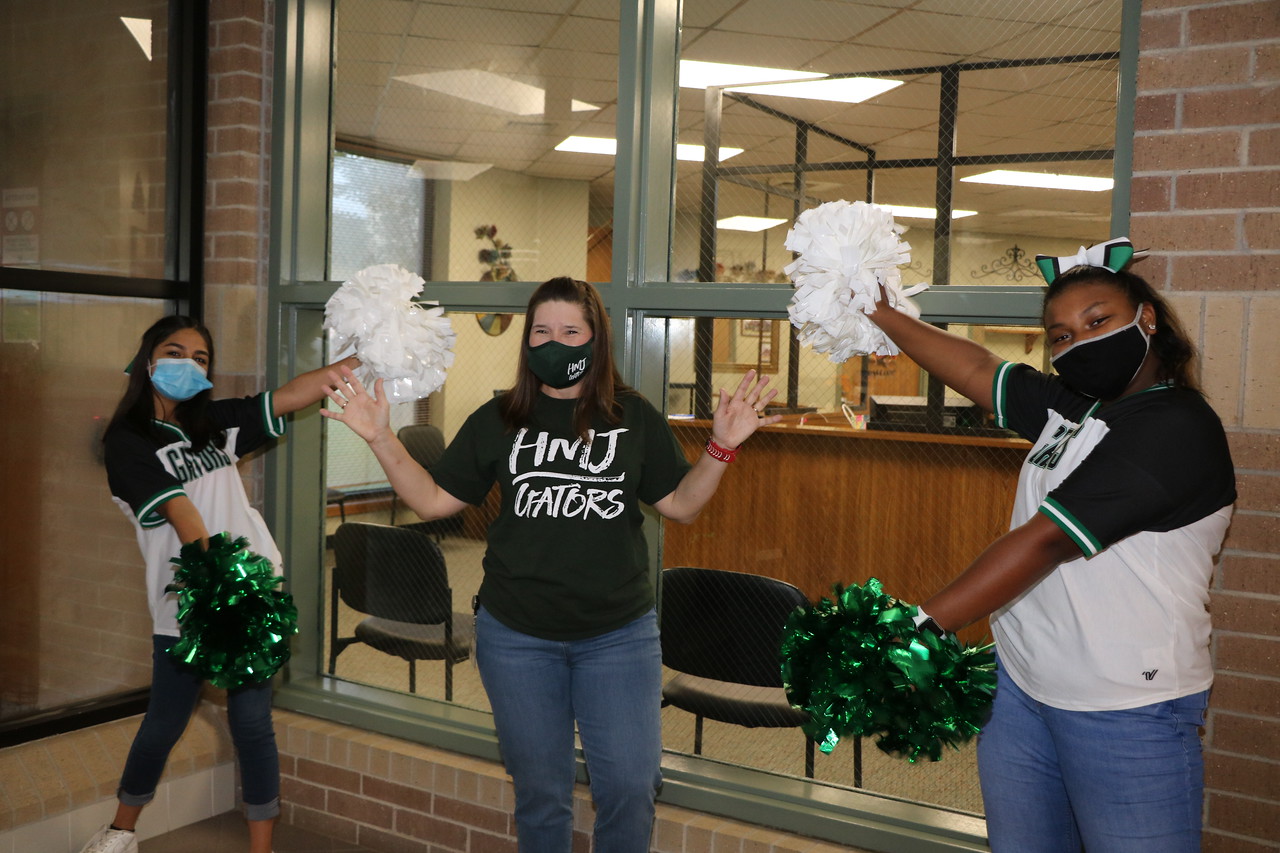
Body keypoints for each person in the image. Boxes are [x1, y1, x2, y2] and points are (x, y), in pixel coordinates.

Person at [322, 276, 779, 852]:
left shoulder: (632, 416)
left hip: (617, 636)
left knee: (631, 787)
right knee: (541, 795)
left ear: (596, 341)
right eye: (542, 331)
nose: (554, 342)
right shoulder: (499, 417)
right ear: (527, 342)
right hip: (517, 637)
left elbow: (681, 506)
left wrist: (722, 447)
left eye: (570, 331)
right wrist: (381, 437)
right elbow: (434, 500)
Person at [865, 247, 1235, 852]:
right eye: (1059, 335)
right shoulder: (1073, 409)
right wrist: (883, 313)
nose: (1078, 343)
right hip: (1024, 686)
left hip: (1124, 700)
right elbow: (978, 369)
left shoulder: (1176, 426)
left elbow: (1046, 541)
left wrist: (917, 629)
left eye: (1097, 322)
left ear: (1146, 320)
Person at [82, 315, 356, 853]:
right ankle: (119, 832)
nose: (189, 364)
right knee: (163, 724)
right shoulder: (127, 440)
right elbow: (182, 514)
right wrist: (217, 587)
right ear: (148, 359)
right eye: (175, 351)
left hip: (249, 597)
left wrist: (364, 360)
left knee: (253, 725)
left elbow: (291, 395)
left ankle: (260, 848)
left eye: (202, 358)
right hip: (185, 607)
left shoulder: (214, 423)